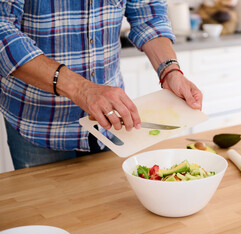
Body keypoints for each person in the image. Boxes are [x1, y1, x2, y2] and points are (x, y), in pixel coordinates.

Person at [0, 1, 203, 170]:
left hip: (111, 123)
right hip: (39, 125)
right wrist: (80, 88)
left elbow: (148, 14)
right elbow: (2, 28)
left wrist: (169, 70)